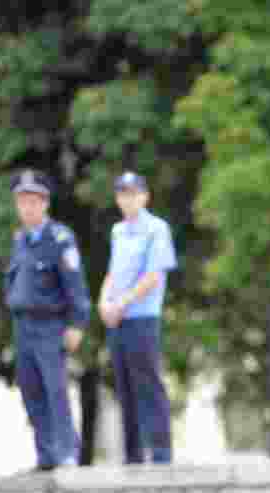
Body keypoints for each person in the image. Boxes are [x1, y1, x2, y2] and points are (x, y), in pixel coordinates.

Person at [4, 169, 90, 471]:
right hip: (23, 327)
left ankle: (67, 453)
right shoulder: (20, 239)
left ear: (44, 204)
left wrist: (77, 324)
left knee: (55, 390)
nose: (27, 207)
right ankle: (46, 455)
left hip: (50, 326)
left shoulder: (60, 238)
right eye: (22, 201)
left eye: (33, 201)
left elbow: (75, 285)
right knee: (31, 391)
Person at [98, 171, 177, 465]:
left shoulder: (157, 229)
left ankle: (160, 454)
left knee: (148, 384)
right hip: (117, 319)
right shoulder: (118, 231)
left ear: (145, 196)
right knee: (124, 387)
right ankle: (132, 455)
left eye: (133, 193)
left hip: (142, 317)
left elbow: (154, 276)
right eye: (122, 194)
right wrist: (103, 302)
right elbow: (112, 273)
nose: (127, 199)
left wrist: (121, 303)